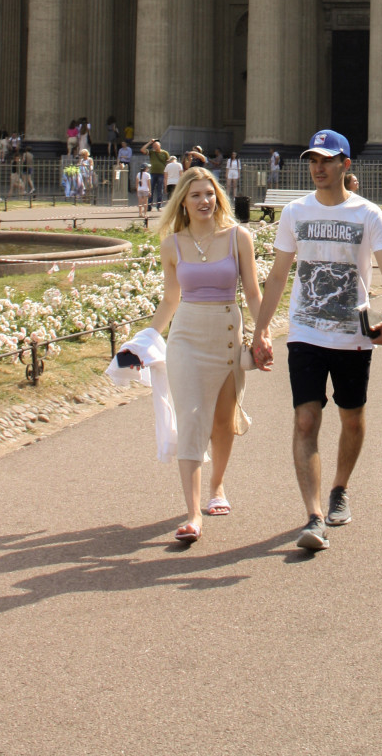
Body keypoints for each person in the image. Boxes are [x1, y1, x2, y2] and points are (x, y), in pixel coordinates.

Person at [251, 128, 382, 552]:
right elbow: (279, 275)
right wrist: (261, 329)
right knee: (305, 419)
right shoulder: (295, 213)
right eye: (313, 161)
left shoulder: (367, 214)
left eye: (326, 160)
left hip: (353, 334)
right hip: (305, 332)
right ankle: (314, 516)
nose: (318, 168)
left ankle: (340, 488)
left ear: (345, 164)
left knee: (351, 418)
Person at [143, 166, 264, 542]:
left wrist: (262, 336)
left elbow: (254, 292)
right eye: (195, 195)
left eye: (209, 194)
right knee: (192, 418)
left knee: (221, 421)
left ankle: (217, 487)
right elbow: (169, 299)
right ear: (183, 201)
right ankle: (194, 514)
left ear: (218, 197)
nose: (204, 201)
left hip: (227, 334)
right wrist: (143, 339)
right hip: (187, 338)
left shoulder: (237, 237)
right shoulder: (172, 244)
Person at [141, 140, 172, 212]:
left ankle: (159, 206)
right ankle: (149, 206)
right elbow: (142, 150)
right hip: (153, 173)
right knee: (150, 190)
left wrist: (167, 172)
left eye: (156, 146)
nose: (155, 147)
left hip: (161, 173)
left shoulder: (165, 153)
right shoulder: (152, 152)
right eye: (154, 146)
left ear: (159, 146)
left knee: (159, 191)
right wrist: (149, 142)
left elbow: (168, 162)